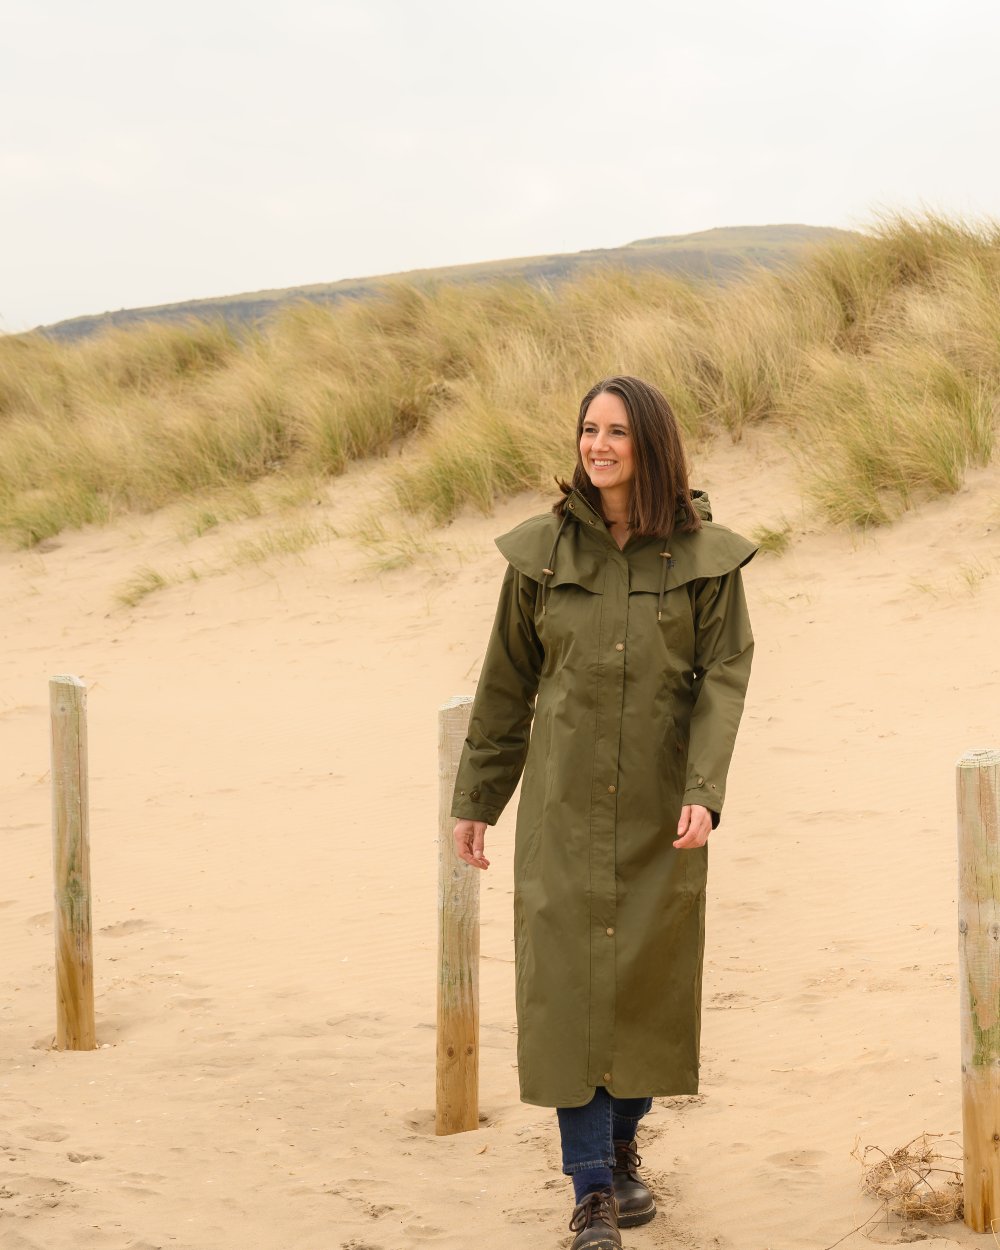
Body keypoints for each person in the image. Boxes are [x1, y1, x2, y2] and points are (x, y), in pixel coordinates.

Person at [450, 375, 756, 1249]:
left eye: (617, 431)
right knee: (564, 992)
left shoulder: (705, 560)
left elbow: (722, 684)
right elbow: (504, 687)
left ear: (650, 444)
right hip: (559, 809)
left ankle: (622, 1149)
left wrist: (704, 791)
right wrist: (478, 799)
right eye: (589, 429)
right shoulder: (541, 554)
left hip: (660, 812)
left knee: (641, 989)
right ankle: (589, 1191)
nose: (598, 445)